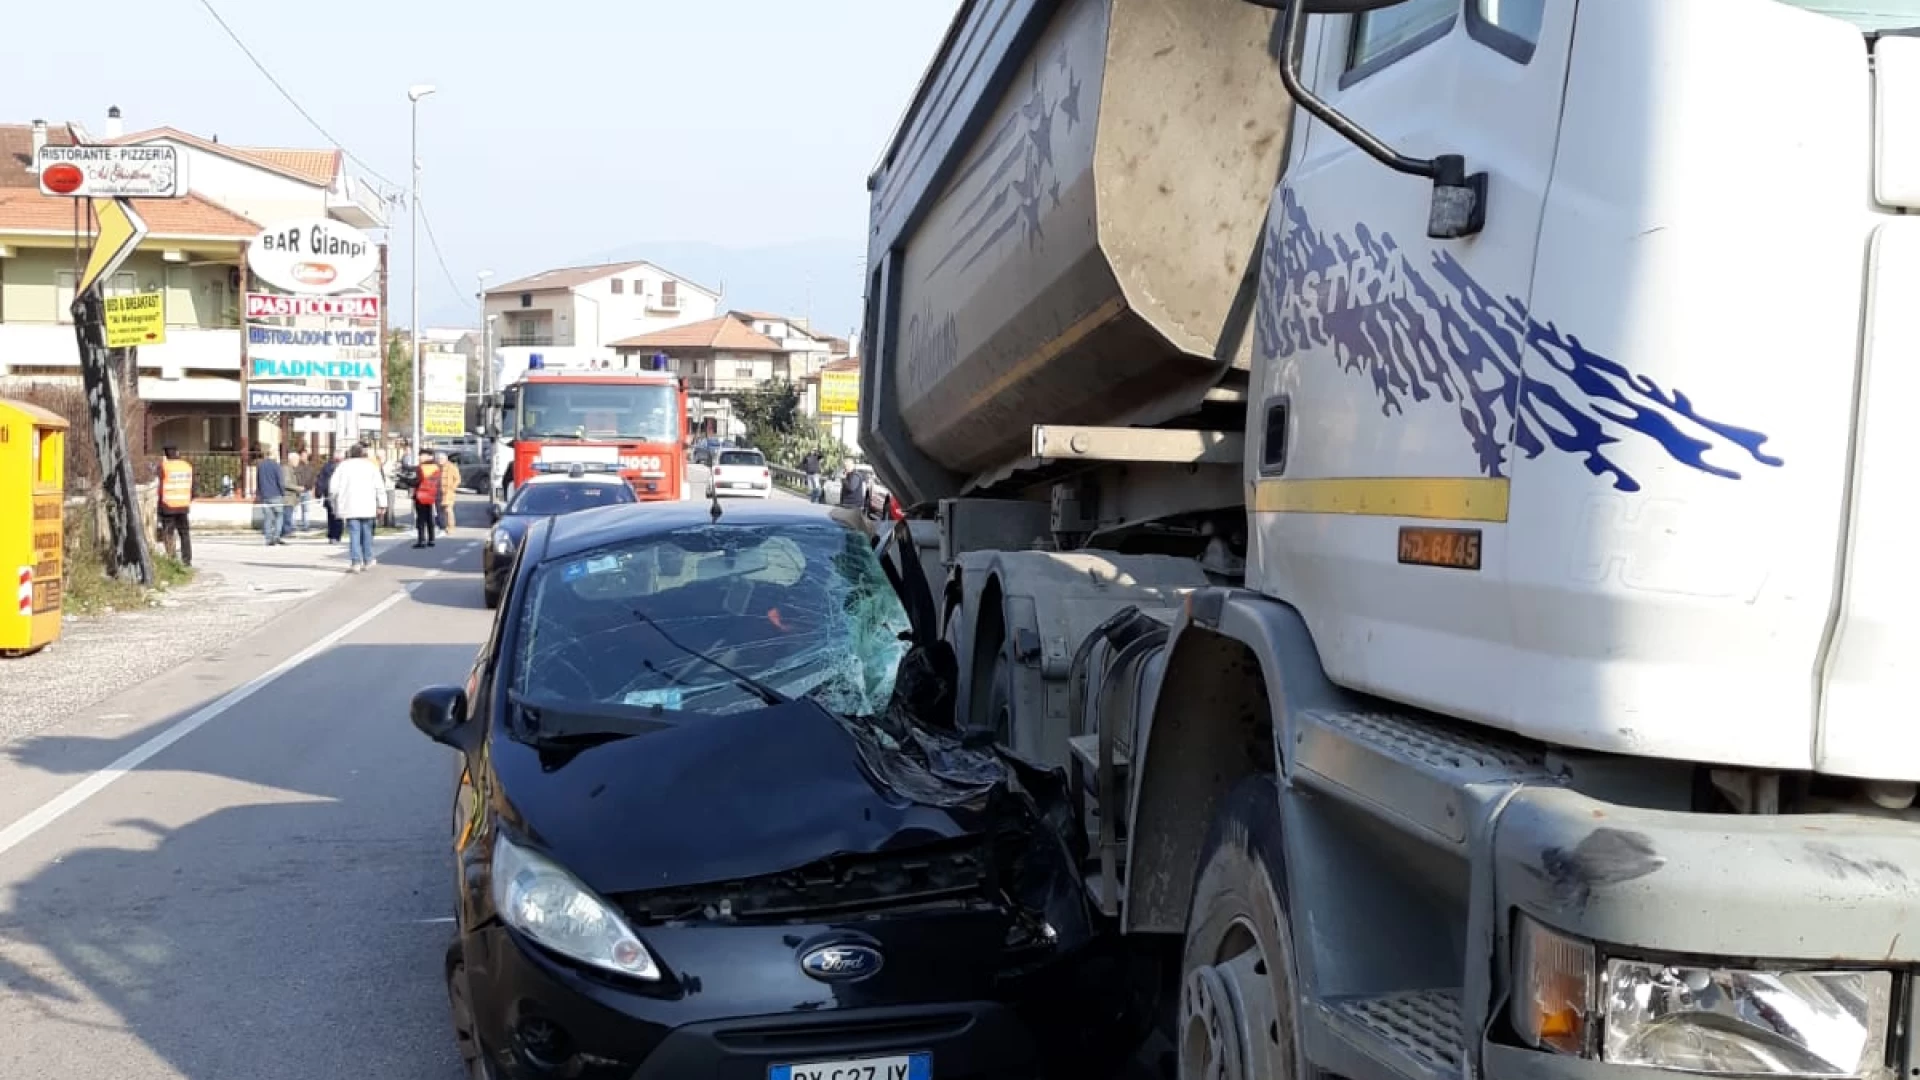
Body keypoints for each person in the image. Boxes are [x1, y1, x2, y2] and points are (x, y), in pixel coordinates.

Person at [330, 444, 387, 572]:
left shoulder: (343, 467)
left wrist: (334, 502)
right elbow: (379, 486)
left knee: (354, 534)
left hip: (350, 505)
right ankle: (368, 559)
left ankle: (355, 562)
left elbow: (333, 488)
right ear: (363, 454)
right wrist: (382, 503)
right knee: (367, 533)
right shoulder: (370, 466)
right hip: (368, 505)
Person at [156, 444, 194, 566]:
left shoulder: (164, 466)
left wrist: (159, 507)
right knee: (184, 534)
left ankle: (172, 560)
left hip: (168, 506)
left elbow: (160, 486)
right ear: (177, 452)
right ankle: (187, 560)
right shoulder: (187, 466)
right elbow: (193, 488)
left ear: (166, 454)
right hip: (183, 506)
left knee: (168, 533)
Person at [254, 447, 287, 546]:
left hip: (265, 495)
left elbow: (258, 480)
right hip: (276, 494)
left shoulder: (260, 465)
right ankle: (276, 536)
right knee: (279, 515)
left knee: (268, 517)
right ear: (274, 455)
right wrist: (283, 492)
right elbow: (280, 481)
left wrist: (259, 493)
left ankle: (268, 538)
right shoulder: (276, 466)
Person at [411, 450, 443, 548]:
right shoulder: (436, 467)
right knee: (429, 517)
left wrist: (406, 481)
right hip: (431, 494)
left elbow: (417, 481)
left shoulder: (421, 468)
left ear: (429, 456)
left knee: (421, 518)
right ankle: (431, 539)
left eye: (422, 455)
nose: (420, 457)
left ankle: (422, 540)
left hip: (421, 494)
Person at [316, 449, 344, 544]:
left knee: (332, 516)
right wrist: (319, 493)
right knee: (337, 516)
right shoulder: (339, 467)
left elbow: (320, 481)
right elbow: (321, 481)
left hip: (331, 495)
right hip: (337, 495)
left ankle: (333, 535)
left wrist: (319, 493)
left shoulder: (327, 467)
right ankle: (335, 536)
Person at [436, 451, 458, 535]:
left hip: (448, 492)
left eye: (441, 459)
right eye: (438, 459)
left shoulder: (452, 467)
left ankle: (451, 527)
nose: (440, 460)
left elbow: (457, 479)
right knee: (440, 510)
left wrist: (452, 488)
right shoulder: (437, 467)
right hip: (438, 492)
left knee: (448, 510)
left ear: (446, 459)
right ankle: (443, 526)